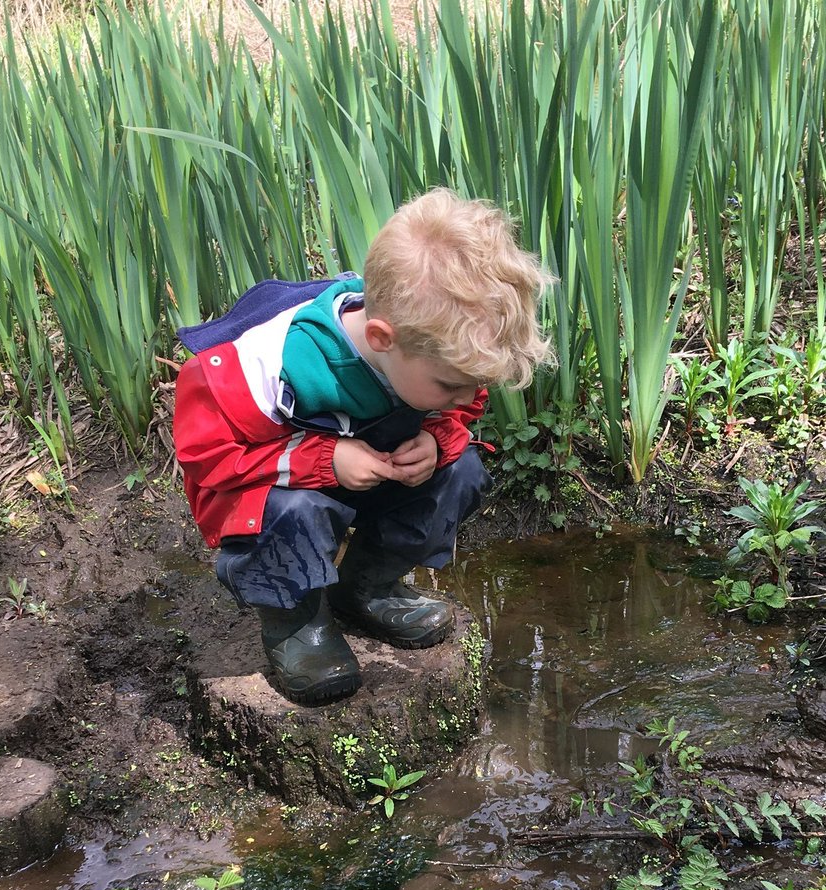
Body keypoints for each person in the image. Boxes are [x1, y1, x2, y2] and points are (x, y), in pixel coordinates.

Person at [173, 188, 553, 704]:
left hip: (374, 471)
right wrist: (322, 459)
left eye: (473, 383)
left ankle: (366, 586)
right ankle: (296, 621)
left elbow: (461, 406)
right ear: (380, 338)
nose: (469, 395)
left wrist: (436, 441)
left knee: (460, 470)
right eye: (450, 385)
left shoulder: (430, 347)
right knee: (295, 509)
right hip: (278, 492)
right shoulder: (252, 372)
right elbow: (207, 461)